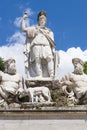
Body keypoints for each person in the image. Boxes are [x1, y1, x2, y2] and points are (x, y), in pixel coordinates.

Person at [21, 11, 56, 78]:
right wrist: (24, 19)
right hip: (36, 45)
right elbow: (23, 29)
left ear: (46, 21)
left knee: (50, 58)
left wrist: (53, 50)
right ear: (38, 21)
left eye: (44, 19)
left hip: (46, 45)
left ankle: (51, 74)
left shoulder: (49, 31)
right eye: (41, 19)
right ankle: (39, 75)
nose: (42, 21)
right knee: (37, 60)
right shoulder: (34, 28)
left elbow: (52, 43)